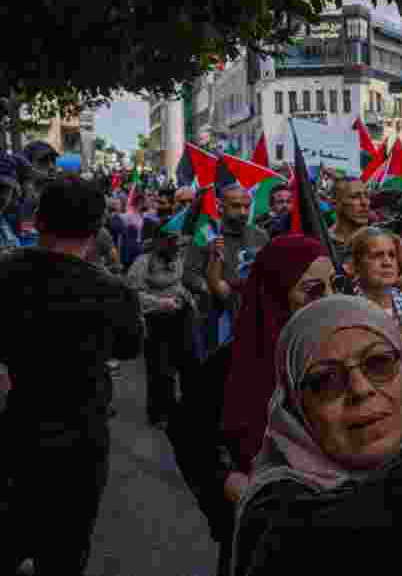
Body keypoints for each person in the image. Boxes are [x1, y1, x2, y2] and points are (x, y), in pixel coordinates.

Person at [229, 295, 402, 576]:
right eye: (326, 380)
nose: (360, 388)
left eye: (379, 363)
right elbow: (326, 547)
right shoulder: (272, 514)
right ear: (295, 407)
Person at [0, 176, 145, 575]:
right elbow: (128, 348)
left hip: (15, 427)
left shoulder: (6, 273)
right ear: (97, 230)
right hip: (80, 439)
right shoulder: (113, 293)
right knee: (65, 551)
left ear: (38, 220)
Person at [169, 235, 335, 576]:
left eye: (337, 285)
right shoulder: (229, 366)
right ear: (276, 293)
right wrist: (226, 480)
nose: (331, 300)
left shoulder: (347, 355)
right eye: (314, 290)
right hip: (260, 537)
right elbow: (188, 433)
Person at [185, 182, 269, 356]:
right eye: (236, 206)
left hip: (251, 317)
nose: (243, 212)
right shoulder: (205, 234)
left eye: (247, 207)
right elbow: (188, 274)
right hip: (215, 318)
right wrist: (210, 288)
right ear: (220, 207)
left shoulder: (260, 235)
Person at [125, 232, 197, 429]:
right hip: (155, 320)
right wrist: (159, 302)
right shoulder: (143, 261)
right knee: (160, 369)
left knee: (188, 364)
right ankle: (160, 413)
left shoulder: (180, 257)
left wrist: (186, 296)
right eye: (171, 242)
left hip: (181, 317)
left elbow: (181, 282)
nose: (176, 246)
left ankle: (188, 409)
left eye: (177, 242)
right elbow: (131, 293)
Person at [344, 227, 402, 326]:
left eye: (392, 255)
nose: (387, 263)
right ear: (356, 264)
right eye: (377, 256)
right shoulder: (347, 311)